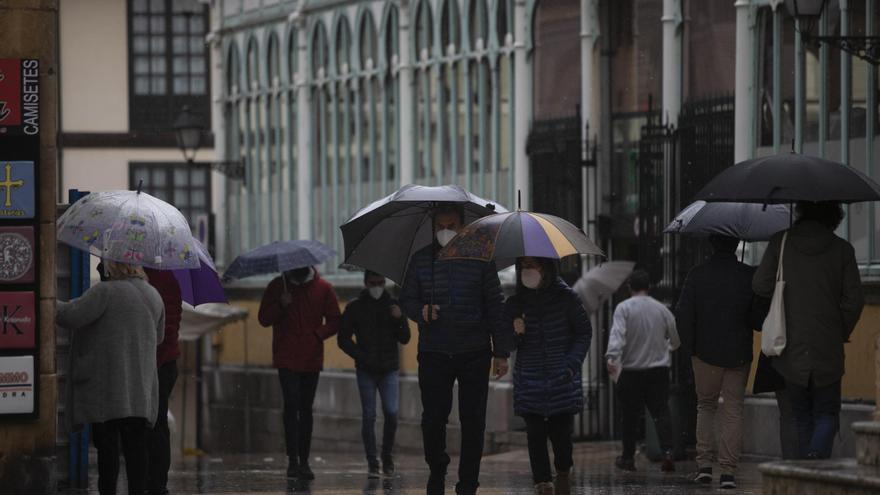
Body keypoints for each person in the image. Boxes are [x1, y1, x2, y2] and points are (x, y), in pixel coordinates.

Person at [400, 203, 512, 495]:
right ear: (433, 228)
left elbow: (495, 306)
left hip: (474, 351)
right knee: (433, 418)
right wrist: (420, 311)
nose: (445, 231)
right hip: (434, 352)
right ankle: (437, 469)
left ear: (463, 227)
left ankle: (468, 482)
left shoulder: (480, 259)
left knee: (473, 421)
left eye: (451, 225)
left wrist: (501, 351)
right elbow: (407, 299)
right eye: (440, 226)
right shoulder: (421, 261)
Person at [753, 201, 864, 459]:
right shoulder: (842, 250)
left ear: (800, 212)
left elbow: (760, 285)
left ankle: (806, 468)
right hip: (828, 347)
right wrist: (839, 329)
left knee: (800, 415)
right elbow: (853, 301)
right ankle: (816, 455)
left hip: (789, 345)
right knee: (826, 413)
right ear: (834, 216)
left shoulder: (781, 242)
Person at [56, 261, 165, 495]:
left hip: (107, 389)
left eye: (103, 265)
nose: (100, 270)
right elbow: (159, 337)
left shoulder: (105, 291)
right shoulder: (153, 294)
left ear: (113, 267)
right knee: (136, 449)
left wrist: (45, 300)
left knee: (108, 451)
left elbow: (70, 317)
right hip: (139, 390)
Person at [675, 235, 760, 489]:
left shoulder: (697, 274)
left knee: (706, 406)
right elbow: (756, 318)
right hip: (738, 353)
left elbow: (683, 314)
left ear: (710, 244)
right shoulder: (747, 275)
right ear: (735, 246)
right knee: (734, 409)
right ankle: (728, 471)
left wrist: (691, 347)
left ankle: (704, 466)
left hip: (705, 353)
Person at [505, 257, 590, 495]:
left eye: (533, 265)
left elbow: (583, 333)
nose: (527, 271)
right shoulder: (516, 303)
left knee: (561, 436)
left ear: (547, 268)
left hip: (560, 377)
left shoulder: (567, 298)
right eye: (523, 266)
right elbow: (506, 342)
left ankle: (564, 468)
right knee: (534, 434)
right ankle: (541, 480)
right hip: (529, 378)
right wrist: (516, 332)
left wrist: (571, 365)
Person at [258, 265, 341, 480]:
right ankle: (293, 459)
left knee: (305, 409)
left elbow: (335, 321)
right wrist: (281, 305)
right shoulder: (278, 286)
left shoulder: (323, 288)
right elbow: (264, 318)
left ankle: (304, 460)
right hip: (286, 357)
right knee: (291, 405)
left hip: (311, 358)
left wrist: (317, 335)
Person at [338, 270, 411, 478]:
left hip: (389, 369)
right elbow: (343, 338)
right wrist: (361, 356)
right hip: (366, 370)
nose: (377, 286)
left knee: (391, 413)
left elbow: (405, 338)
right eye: (373, 283)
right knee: (369, 415)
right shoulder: (355, 308)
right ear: (366, 284)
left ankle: (387, 456)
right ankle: (373, 461)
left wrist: (399, 319)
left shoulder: (393, 305)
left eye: (381, 282)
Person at [605, 269, 680, 473]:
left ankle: (628, 458)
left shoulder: (624, 308)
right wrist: (666, 347)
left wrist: (612, 356)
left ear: (630, 287)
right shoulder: (662, 310)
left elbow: (618, 335)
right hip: (658, 370)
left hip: (632, 370)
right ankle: (667, 452)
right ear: (649, 287)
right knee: (661, 411)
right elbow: (675, 338)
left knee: (629, 415)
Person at [143, 267, 183, 495]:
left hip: (156, 361)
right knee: (158, 424)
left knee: (151, 424)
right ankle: (159, 482)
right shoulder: (171, 279)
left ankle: (154, 482)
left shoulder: (149, 280)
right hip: (169, 361)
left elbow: (159, 328)